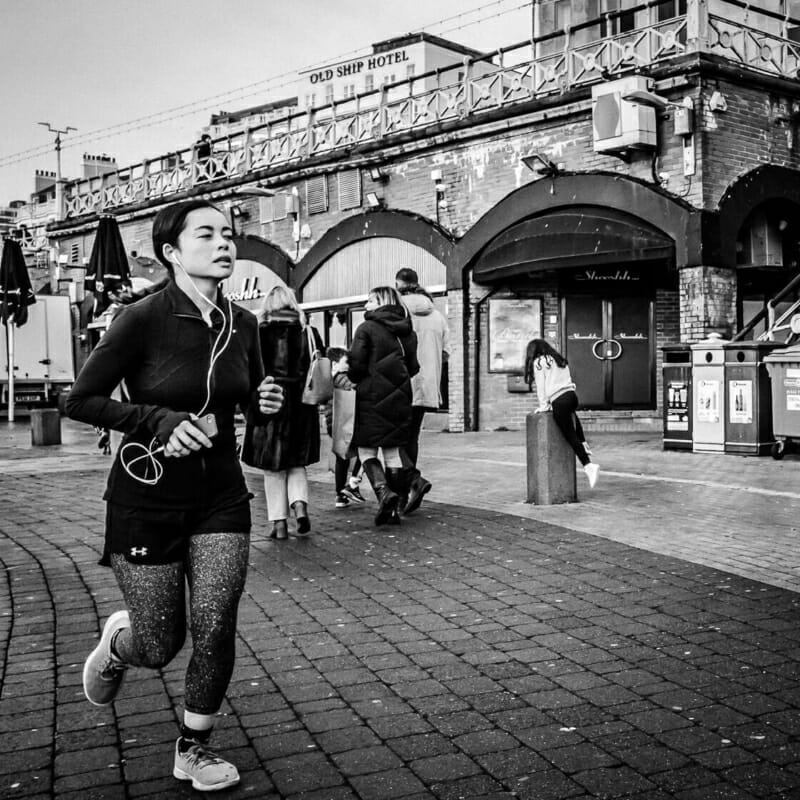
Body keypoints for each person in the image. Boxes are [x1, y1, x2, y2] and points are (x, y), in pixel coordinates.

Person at [66, 199, 283, 792]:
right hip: (147, 497)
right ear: (171, 252)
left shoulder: (244, 324)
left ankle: (194, 747)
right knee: (161, 644)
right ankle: (120, 644)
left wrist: (262, 404)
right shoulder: (140, 318)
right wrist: (158, 419)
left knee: (215, 624)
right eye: (206, 234)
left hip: (221, 497)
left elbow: (245, 401)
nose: (224, 243)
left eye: (228, 234)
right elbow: (78, 400)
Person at [240, 285, 322, 539]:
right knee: (297, 462)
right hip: (302, 403)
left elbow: (248, 371)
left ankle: (279, 524)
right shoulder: (308, 332)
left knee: (273, 468)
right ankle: (299, 506)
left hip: (270, 400)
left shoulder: (258, 332)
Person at [348, 286, 419, 525]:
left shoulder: (366, 328)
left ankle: (383, 492)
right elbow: (413, 366)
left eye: (370, 300)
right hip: (400, 396)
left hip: (371, 396)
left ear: (381, 301)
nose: (366, 304)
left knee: (366, 450)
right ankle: (394, 510)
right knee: (392, 452)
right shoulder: (407, 330)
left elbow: (357, 366)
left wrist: (352, 374)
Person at [395, 267, 447, 514]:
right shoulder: (437, 316)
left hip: (401, 383)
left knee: (393, 440)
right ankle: (407, 491)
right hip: (427, 385)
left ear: (398, 285)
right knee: (411, 438)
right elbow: (446, 352)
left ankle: (412, 482)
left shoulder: (397, 312)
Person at [523, 338, 599, 488]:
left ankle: (588, 465)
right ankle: (584, 443)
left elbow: (541, 387)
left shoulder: (539, 362)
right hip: (571, 396)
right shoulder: (558, 359)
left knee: (569, 435)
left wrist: (543, 406)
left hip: (558, 400)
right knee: (572, 416)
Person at [326, 346, 364, 508]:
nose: (349, 364)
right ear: (336, 363)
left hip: (333, 423)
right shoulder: (344, 378)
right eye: (346, 361)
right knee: (365, 451)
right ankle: (352, 485)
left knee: (342, 457)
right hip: (346, 422)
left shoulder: (329, 378)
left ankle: (340, 495)